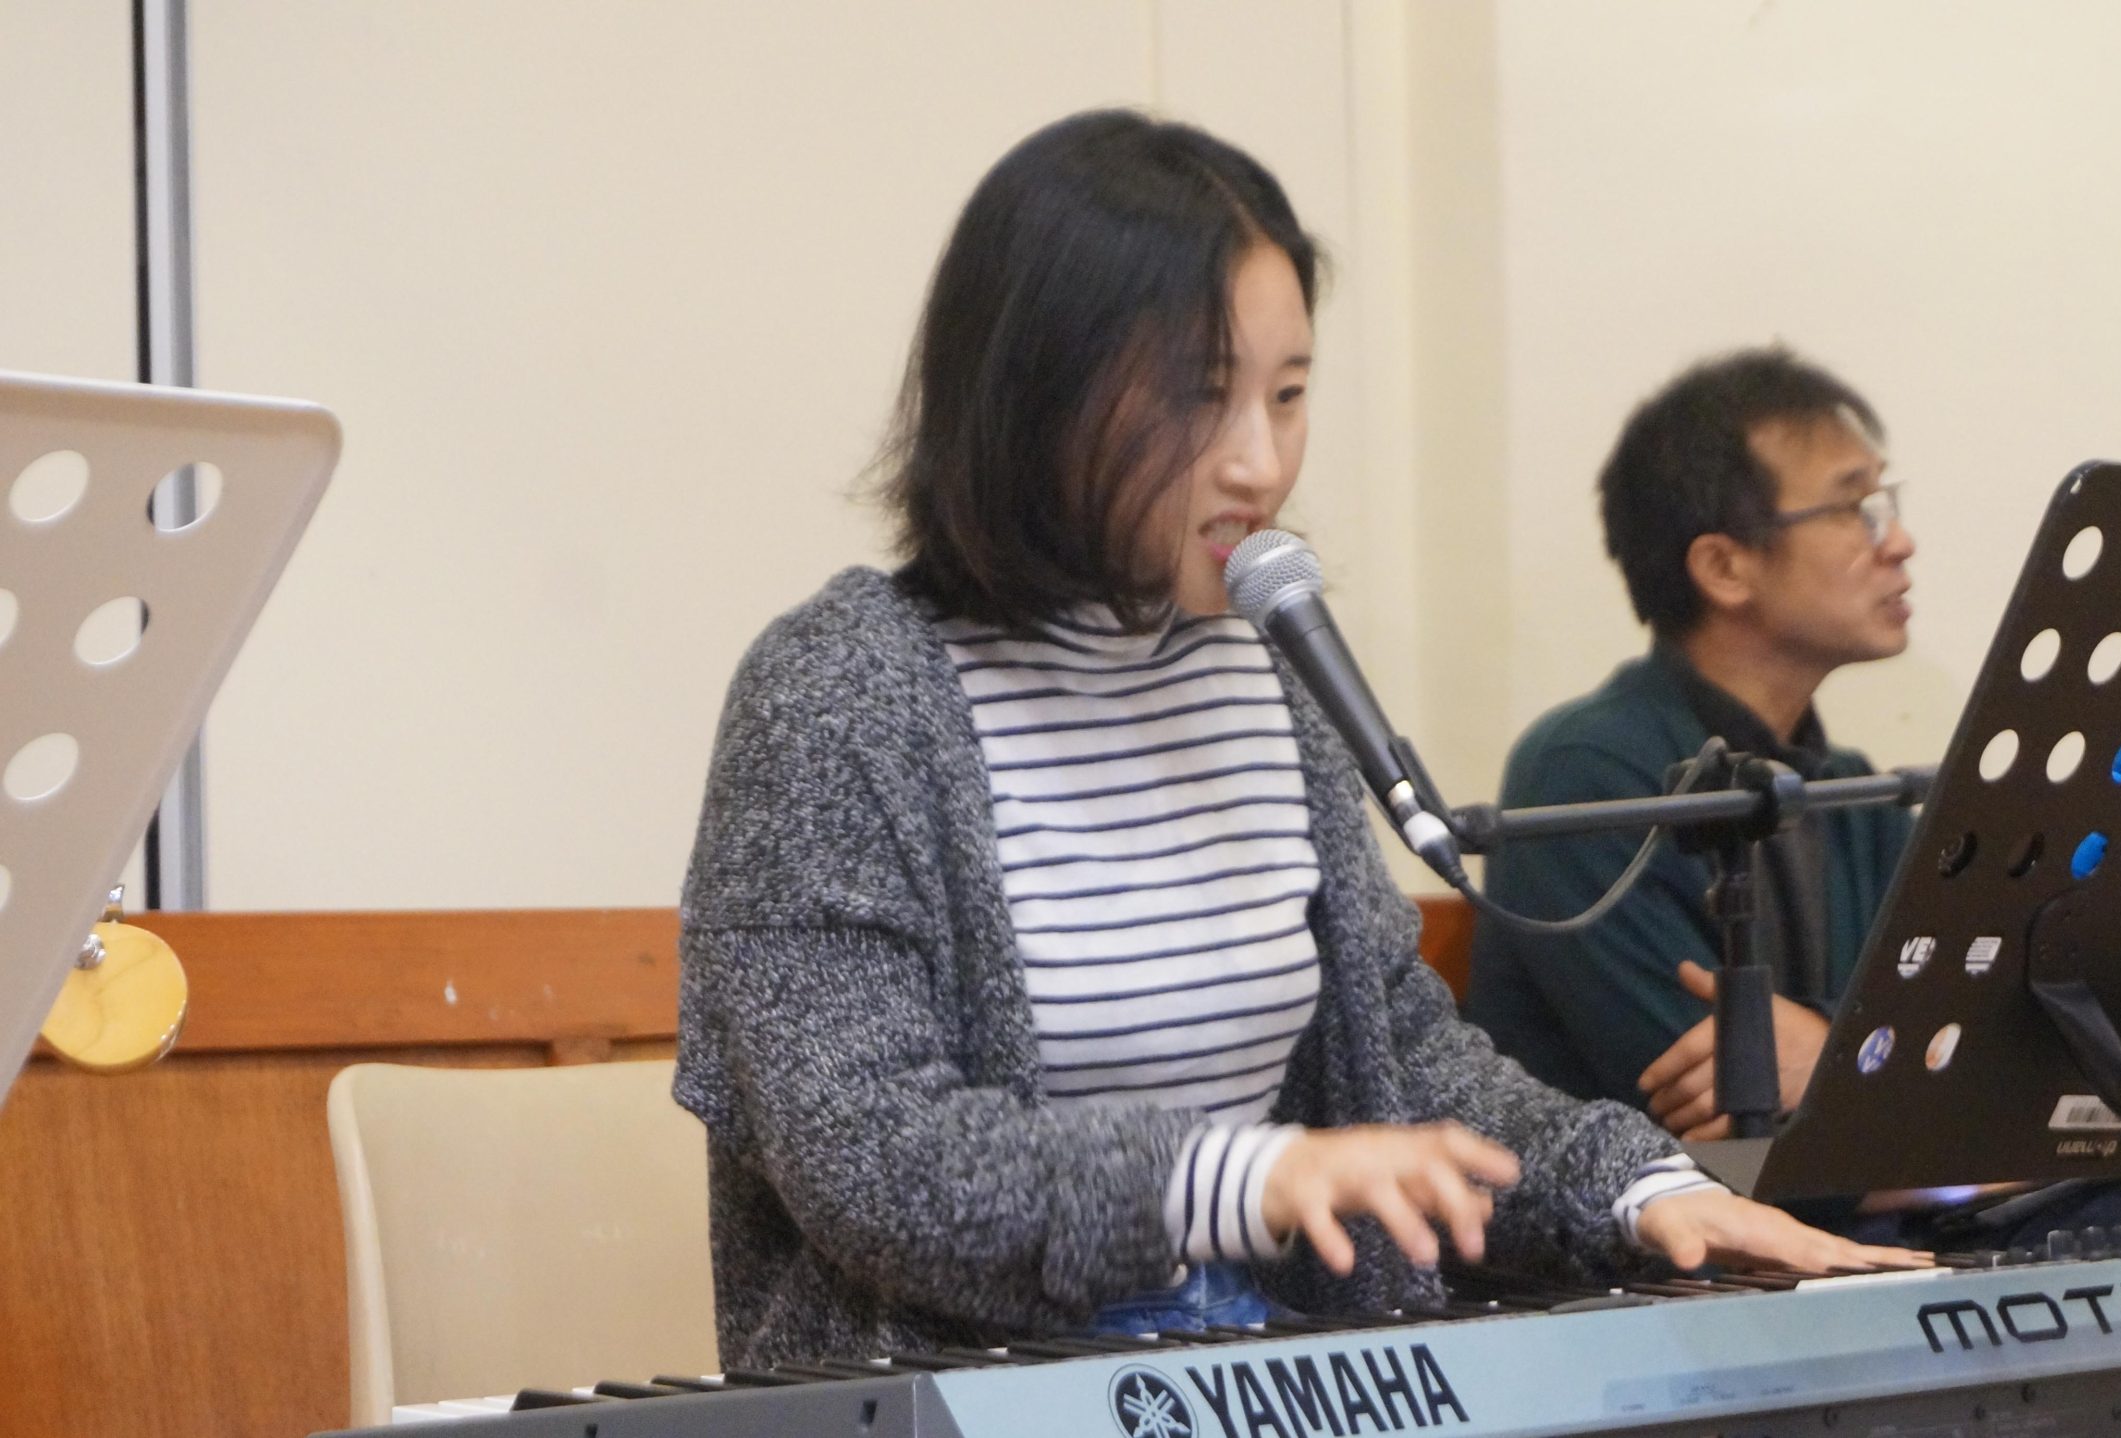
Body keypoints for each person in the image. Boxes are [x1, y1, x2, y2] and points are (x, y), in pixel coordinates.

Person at [673, 113, 1924, 1368]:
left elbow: (1401, 1066)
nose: (1259, 464)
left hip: (1261, 1362)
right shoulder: (841, 696)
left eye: (1287, 394)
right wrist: (1255, 1176)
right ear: (1035, 392)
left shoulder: (1260, 672)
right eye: (1200, 397)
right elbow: (874, 1156)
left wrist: (1642, 1190)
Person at [1463, 349, 1917, 1138]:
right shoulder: (1587, 776)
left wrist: (1832, 1056)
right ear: (1724, 567)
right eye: (1855, 509)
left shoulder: (1854, 791)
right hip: (1642, 1213)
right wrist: (1866, 1061)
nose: (1899, 542)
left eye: (1886, 502)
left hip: (1866, 1212)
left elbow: (1952, 1053)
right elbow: (1722, 1120)